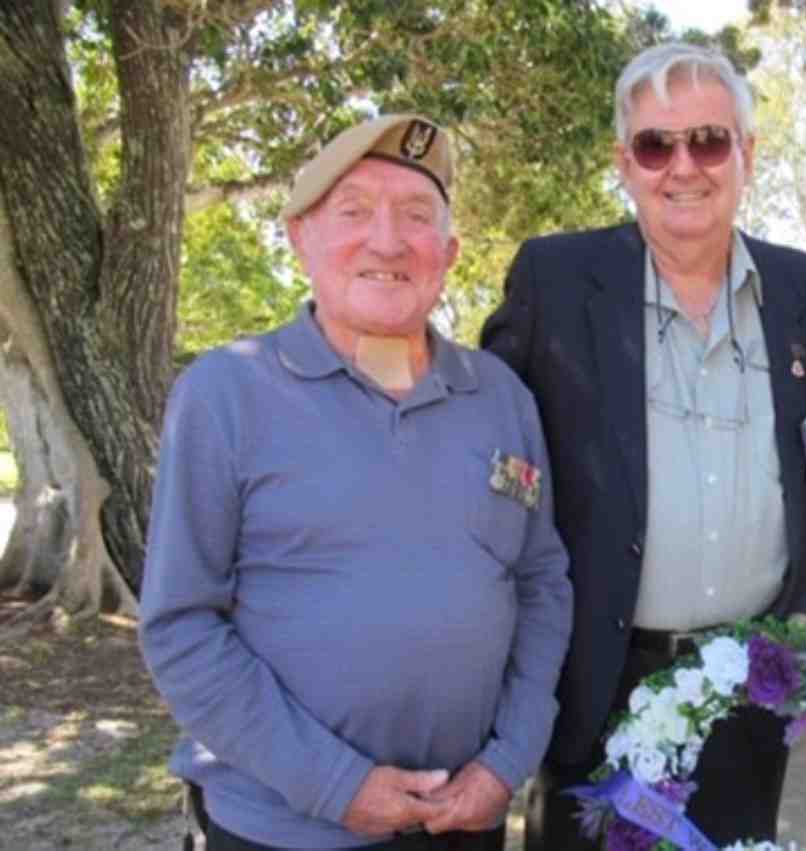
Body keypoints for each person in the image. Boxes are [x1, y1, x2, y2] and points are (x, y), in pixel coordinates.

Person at [140, 114, 573, 850]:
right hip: (287, 828)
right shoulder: (227, 393)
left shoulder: (501, 396)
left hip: (464, 820)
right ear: (300, 237)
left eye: (415, 217)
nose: (387, 240)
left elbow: (541, 582)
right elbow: (182, 627)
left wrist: (507, 762)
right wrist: (334, 784)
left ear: (449, 252)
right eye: (353, 212)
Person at [481, 42, 806, 849]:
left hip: (747, 692)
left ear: (748, 155)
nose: (683, 166)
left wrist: (796, 636)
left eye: (710, 140)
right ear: (626, 163)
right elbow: (489, 464)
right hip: (592, 684)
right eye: (657, 144)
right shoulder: (554, 283)